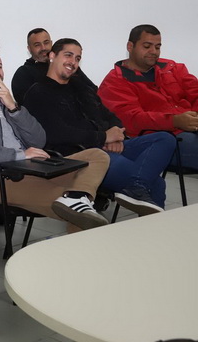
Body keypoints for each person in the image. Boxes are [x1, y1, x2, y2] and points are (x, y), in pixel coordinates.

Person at [0, 42, 111, 230]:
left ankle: (76, 197)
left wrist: (14, 107)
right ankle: (75, 202)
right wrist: (19, 155)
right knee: (79, 212)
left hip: (27, 169)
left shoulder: (3, 101)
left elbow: (39, 140)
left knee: (97, 156)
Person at [23, 38, 173, 214]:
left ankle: (136, 186)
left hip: (105, 147)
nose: (73, 62)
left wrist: (115, 136)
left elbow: (110, 115)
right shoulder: (38, 92)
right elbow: (56, 134)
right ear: (52, 56)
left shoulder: (80, 88)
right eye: (68, 55)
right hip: (78, 156)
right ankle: (138, 189)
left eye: (78, 58)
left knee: (165, 139)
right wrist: (103, 138)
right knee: (157, 183)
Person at [99, 24, 198, 170]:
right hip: (163, 139)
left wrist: (193, 118)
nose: (154, 51)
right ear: (130, 46)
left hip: (191, 127)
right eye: (147, 46)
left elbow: (195, 92)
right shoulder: (115, 81)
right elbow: (132, 120)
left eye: (157, 47)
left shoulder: (172, 67)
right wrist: (174, 120)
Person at [11, 27, 96, 102]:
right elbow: (27, 106)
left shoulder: (68, 67)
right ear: (29, 49)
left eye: (46, 42)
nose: (43, 48)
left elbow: (94, 91)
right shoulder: (23, 73)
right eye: (37, 45)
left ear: (51, 43)